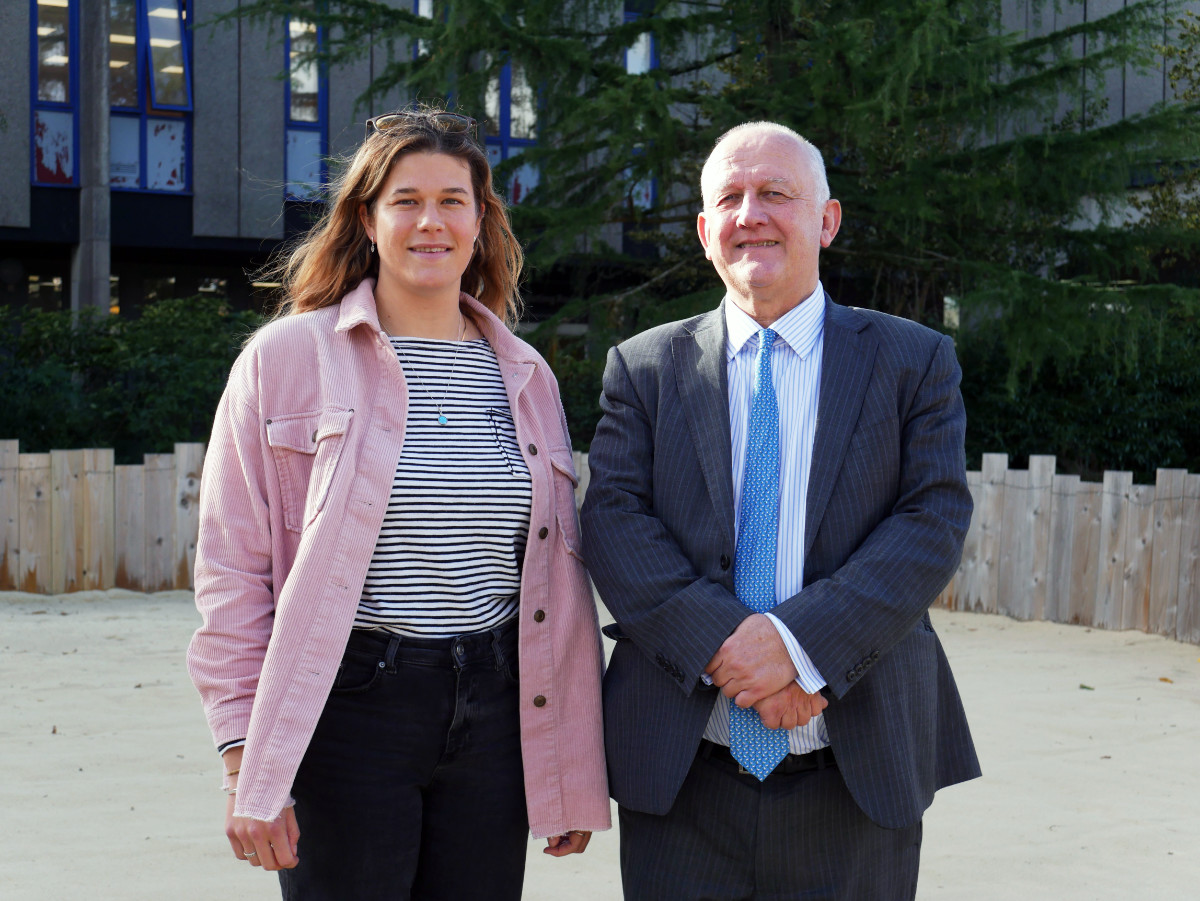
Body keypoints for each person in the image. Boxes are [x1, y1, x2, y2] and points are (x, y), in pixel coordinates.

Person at [186, 106, 609, 901]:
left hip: (496, 712)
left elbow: (555, 580)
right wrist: (245, 757)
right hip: (349, 711)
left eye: (454, 200)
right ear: (367, 220)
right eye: (406, 199)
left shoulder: (526, 376)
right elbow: (232, 569)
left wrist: (568, 765)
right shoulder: (287, 358)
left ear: (481, 223)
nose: (431, 221)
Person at [579, 121, 980, 899]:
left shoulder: (914, 360)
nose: (750, 213)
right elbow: (615, 522)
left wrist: (799, 648)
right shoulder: (644, 367)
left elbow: (931, 521)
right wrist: (733, 648)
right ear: (704, 232)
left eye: (776, 193)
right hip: (684, 777)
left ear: (826, 220)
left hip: (856, 774)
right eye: (729, 197)